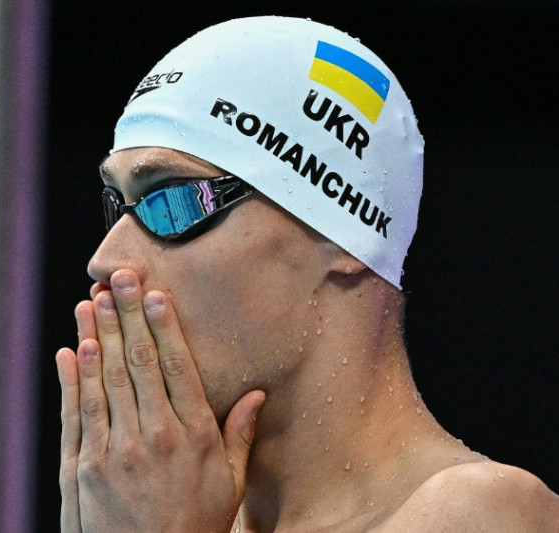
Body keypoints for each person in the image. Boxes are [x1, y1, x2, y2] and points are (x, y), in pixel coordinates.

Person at [54, 16, 559, 532]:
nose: (106, 260)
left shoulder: (482, 512)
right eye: (117, 205)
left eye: (177, 201)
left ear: (343, 236)